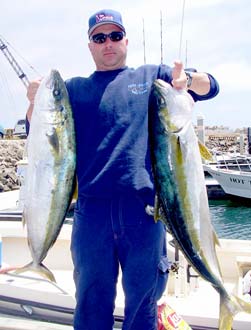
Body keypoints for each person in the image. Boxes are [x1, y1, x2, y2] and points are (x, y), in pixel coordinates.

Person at [26, 9, 219, 330]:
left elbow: (209, 87)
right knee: (90, 304)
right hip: (92, 215)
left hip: (143, 213)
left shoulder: (152, 78)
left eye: (115, 36)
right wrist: (34, 100)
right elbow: (40, 130)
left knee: (142, 306)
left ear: (125, 40)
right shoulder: (73, 90)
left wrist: (191, 81)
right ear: (90, 45)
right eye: (99, 38)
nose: (108, 43)